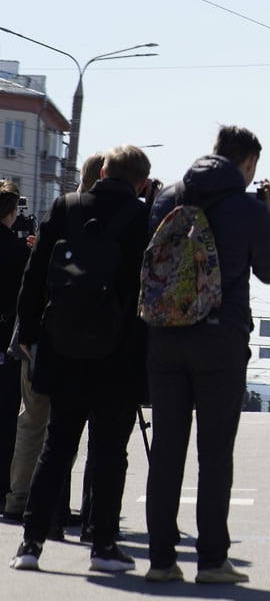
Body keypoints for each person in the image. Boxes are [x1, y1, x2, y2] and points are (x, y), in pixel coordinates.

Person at [144, 125, 270, 585]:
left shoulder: (167, 198)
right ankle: (211, 561)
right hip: (220, 341)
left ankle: (161, 561)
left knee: (167, 451)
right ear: (247, 165)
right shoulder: (247, 208)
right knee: (215, 453)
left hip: (165, 337)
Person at [10, 145, 152, 573]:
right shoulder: (145, 219)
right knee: (110, 452)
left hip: (63, 347)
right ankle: (104, 546)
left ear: (102, 170)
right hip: (119, 355)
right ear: (141, 182)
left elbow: (35, 276)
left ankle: (30, 544)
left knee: (57, 447)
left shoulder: (65, 206)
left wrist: (29, 335)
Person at [0, 180, 31, 513]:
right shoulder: (17, 250)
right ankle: (4, 488)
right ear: (11, 212)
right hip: (6, 340)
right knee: (8, 418)